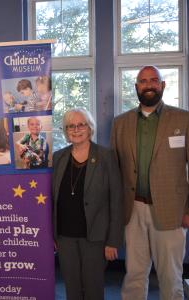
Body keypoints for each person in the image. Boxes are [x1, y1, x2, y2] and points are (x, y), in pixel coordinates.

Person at [110, 65, 189, 300]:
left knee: (170, 276)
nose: (149, 85)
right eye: (143, 81)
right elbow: (114, 171)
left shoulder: (185, 119)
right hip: (132, 211)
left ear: (162, 85)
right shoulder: (120, 123)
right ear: (136, 87)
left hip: (172, 213)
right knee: (134, 274)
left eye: (154, 80)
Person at [52, 108, 123, 300]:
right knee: (72, 289)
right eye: (70, 126)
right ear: (66, 131)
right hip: (65, 237)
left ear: (90, 128)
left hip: (96, 238)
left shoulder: (106, 156)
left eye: (81, 124)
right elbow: (52, 200)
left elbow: (116, 201)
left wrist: (113, 241)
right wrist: (52, 234)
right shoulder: (58, 158)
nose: (76, 129)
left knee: (93, 289)